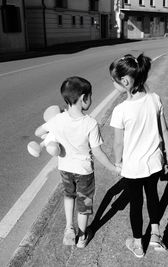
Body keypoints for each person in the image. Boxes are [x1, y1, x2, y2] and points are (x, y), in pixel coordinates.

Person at [109, 54, 168, 258]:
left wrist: (118, 162)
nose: (113, 83)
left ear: (126, 81)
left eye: (115, 80)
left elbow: (118, 143)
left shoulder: (120, 110)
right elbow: (164, 131)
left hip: (133, 167)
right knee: (153, 196)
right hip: (154, 163)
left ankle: (138, 245)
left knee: (136, 205)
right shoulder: (154, 99)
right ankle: (155, 234)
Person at [44, 76, 120, 248]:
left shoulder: (57, 119)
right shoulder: (90, 123)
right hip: (84, 171)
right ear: (84, 98)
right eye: (90, 96)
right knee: (84, 203)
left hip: (64, 168)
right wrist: (113, 168)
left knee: (69, 195)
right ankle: (82, 236)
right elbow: (98, 153)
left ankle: (69, 229)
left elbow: (40, 130)